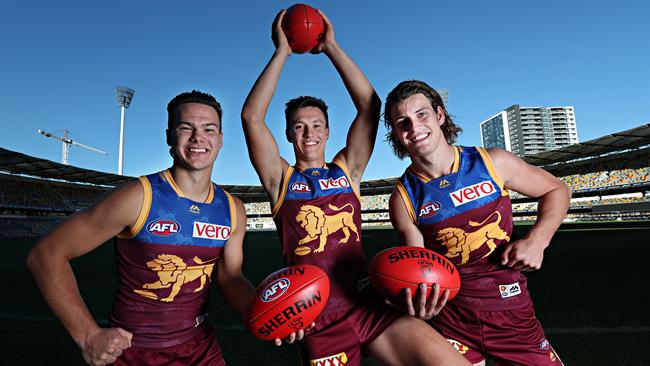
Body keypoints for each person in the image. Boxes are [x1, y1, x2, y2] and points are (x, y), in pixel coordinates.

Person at [241, 9, 470, 366]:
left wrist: (331, 47)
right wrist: (281, 52)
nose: (309, 133)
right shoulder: (280, 180)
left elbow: (369, 105)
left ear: (329, 132)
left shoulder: (347, 170)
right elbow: (251, 117)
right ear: (287, 134)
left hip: (369, 303)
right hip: (318, 319)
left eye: (317, 125)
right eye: (299, 127)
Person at [27, 91, 256, 366]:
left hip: (201, 349)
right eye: (186, 128)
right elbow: (46, 254)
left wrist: (272, 311)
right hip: (134, 352)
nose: (198, 138)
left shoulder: (233, 210)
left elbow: (231, 278)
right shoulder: (137, 197)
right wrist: (88, 336)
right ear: (169, 136)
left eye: (209, 129)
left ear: (220, 140)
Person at [384, 79, 571, 366]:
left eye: (421, 114)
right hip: (451, 320)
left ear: (439, 115)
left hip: (509, 308)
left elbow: (557, 189)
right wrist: (418, 301)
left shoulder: (492, 162)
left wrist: (537, 241)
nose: (414, 127)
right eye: (402, 122)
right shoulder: (403, 198)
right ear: (397, 134)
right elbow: (419, 266)